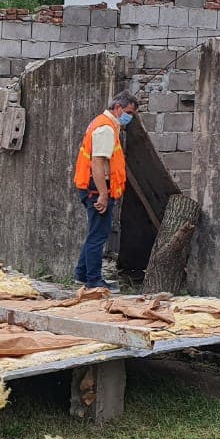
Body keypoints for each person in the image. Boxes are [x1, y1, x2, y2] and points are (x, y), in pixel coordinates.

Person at [72, 90, 137, 290]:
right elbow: (97, 163)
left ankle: (82, 274)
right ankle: (93, 280)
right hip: (97, 187)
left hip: (92, 186)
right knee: (98, 235)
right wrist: (103, 194)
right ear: (117, 108)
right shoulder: (105, 128)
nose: (130, 117)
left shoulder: (102, 123)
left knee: (95, 232)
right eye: (128, 112)